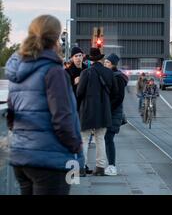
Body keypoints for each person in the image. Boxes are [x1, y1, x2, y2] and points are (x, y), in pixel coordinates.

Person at [6, 14, 84, 195]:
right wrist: (75, 146)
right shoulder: (54, 71)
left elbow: (11, 116)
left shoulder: (18, 70)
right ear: (57, 40)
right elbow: (63, 117)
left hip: (21, 157)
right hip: (50, 159)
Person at [77, 47, 119, 176]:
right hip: (103, 111)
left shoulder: (85, 73)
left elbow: (79, 93)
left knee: (84, 139)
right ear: (101, 59)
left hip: (87, 111)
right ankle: (100, 168)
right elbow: (115, 92)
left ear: (90, 60)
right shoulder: (109, 73)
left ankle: (82, 168)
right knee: (100, 138)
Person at [103, 53, 128, 176]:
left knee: (108, 138)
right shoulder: (109, 75)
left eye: (107, 62)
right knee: (105, 139)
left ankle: (112, 165)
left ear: (112, 64)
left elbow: (119, 98)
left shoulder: (118, 78)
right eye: (105, 62)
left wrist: (107, 108)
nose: (105, 64)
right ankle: (107, 164)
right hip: (108, 112)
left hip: (114, 113)